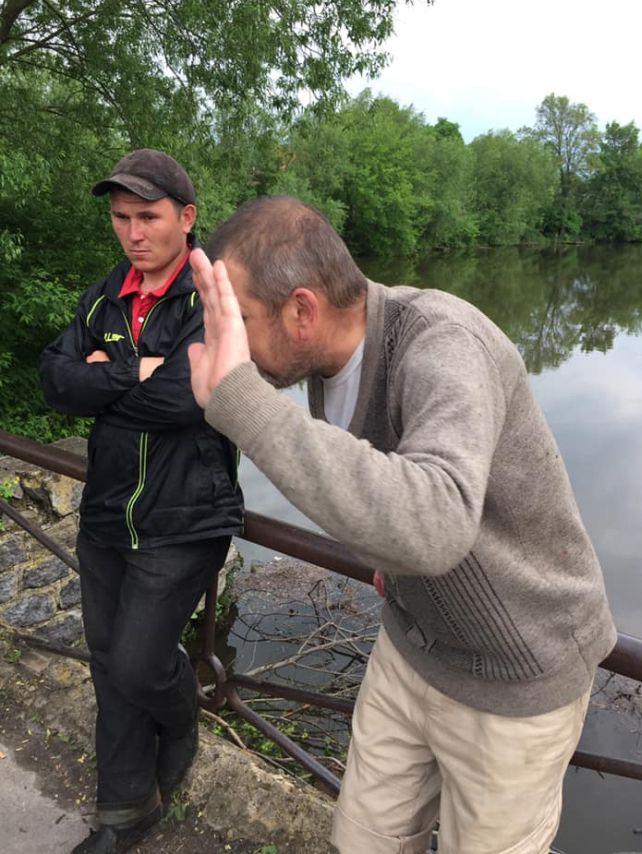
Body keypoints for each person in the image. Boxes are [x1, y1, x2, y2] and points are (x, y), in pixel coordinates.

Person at [186, 195, 617, 854]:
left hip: (517, 674)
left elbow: (436, 525)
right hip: (413, 648)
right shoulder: (326, 366)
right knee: (361, 840)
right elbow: (390, 494)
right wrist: (389, 550)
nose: (225, 343)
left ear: (302, 310)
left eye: (237, 320)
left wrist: (239, 403)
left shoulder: (444, 342)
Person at [40, 149, 244, 853]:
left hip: (186, 515)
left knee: (134, 662)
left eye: (149, 216)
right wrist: (137, 369)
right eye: (122, 217)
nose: (133, 232)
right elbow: (56, 382)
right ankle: (123, 811)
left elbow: (194, 399)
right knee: (106, 659)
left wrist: (109, 378)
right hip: (107, 513)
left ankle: (182, 715)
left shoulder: (213, 296)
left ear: (186, 218)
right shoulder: (102, 298)